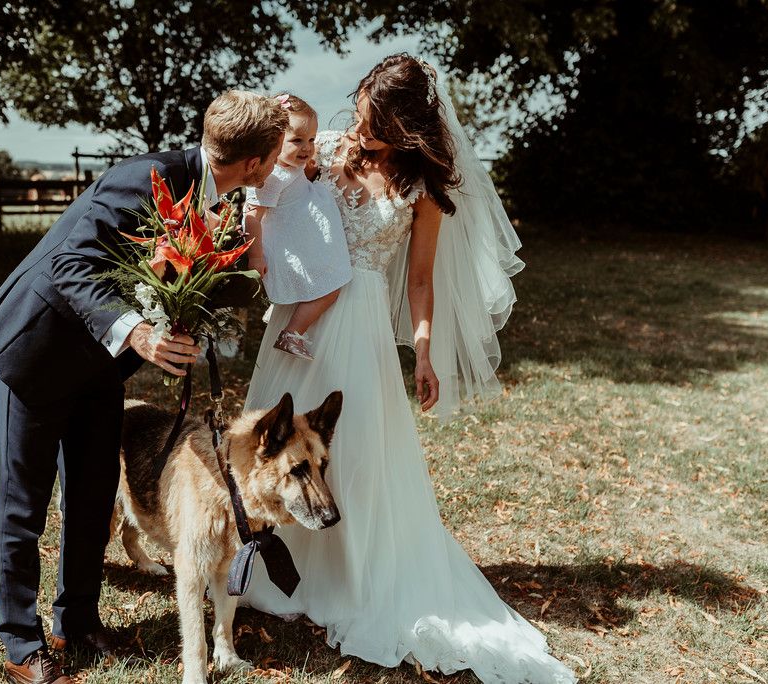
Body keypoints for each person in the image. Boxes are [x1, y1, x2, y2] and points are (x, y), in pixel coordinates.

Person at [239, 54, 578, 683]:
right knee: (272, 442)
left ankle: (347, 572)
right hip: (302, 310)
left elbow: (419, 281)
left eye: (374, 120)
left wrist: (422, 351)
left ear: (404, 124)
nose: (360, 127)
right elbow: (276, 186)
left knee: (355, 450)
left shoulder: (420, 189)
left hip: (360, 323)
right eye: (361, 113)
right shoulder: (332, 147)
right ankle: (263, 559)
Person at [0, 91, 287, 684]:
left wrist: (181, 329)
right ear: (257, 161)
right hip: (37, 352)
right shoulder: (148, 178)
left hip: (100, 365)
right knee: (23, 506)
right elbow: (70, 260)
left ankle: (79, 621)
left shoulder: (217, 201)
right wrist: (139, 332)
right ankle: (21, 644)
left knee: (92, 495)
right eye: (273, 157)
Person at [243, 93, 352, 360]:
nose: (307, 147)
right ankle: (293, 332)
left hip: (301, 238)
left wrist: (307, 170)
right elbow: (251, 216)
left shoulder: (289, 168)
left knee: (329, 283)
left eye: (312, 140)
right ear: (274, 141)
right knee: (331, 286)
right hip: (288, 246)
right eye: (297, 141)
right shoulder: (269, 177)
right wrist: (255, 256)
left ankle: (293, 330)